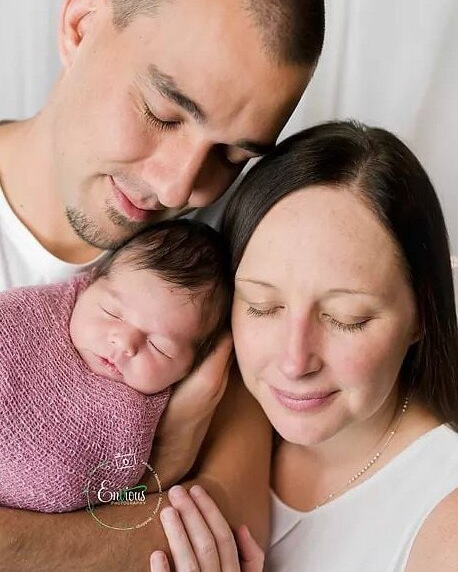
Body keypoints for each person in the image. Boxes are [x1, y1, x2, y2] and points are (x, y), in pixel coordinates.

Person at [0, 0, 325, 568]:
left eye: (230, 155)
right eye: (163, 113)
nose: (179, 189)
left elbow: (221, 530)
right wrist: (166, 469)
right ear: (81, 23)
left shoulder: (226, 262)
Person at [150, 121, 458, 572]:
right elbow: (106, 500)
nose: (295, 362)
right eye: (262, 306)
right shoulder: (200, 403)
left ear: (420, 316)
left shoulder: (443, 519)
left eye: (346, 319)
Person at [0, 219, 232, 513]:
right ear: (89, 283)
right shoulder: (25, 318)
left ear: (189, 369)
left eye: (159, 346)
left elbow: (122, 499)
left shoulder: (141, 425)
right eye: (112, 313)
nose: (125, 343)